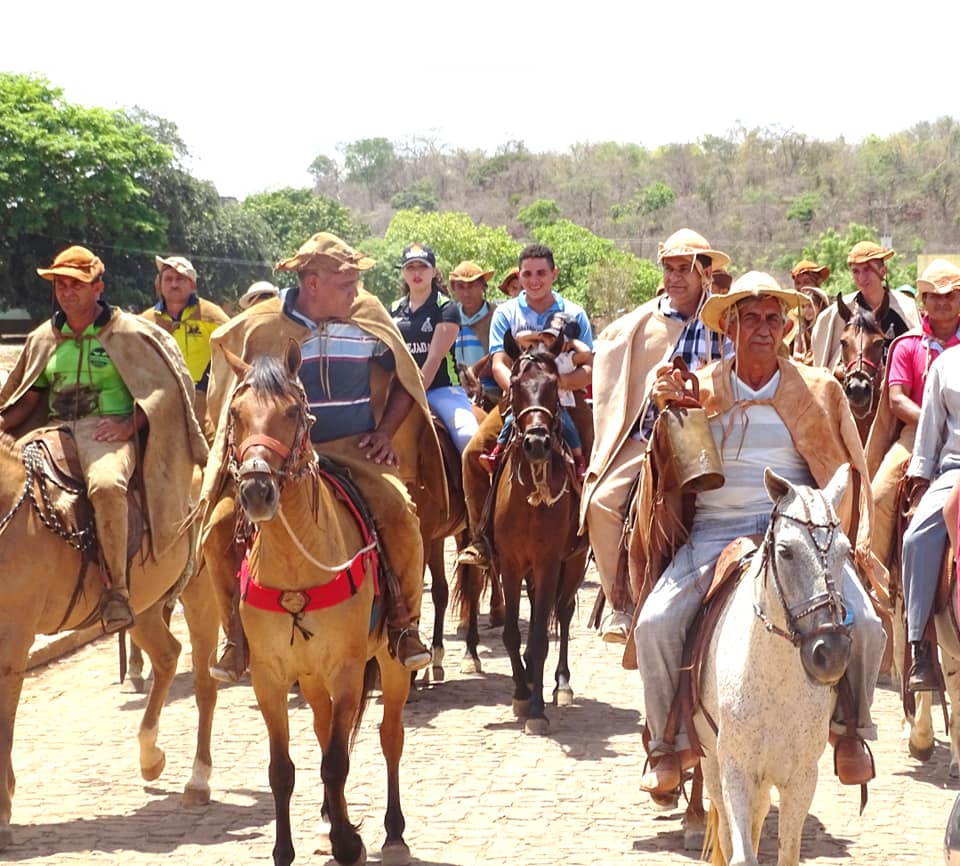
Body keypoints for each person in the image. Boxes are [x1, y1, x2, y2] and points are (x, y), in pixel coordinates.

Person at [633, 271, 883, 796]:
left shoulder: (817, 390)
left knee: (866, 625)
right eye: (751, 319)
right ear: (729, 327)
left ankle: (850, 732)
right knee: (654, 623)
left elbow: (847, 470)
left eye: (773, 319)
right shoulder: (697, 388)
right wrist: (664, 413)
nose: (763, 329)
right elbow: (665, 472)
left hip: (797, 535)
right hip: (714, 534)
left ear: (787, 326)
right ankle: (666, 742)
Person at [200, 232, 442, 674]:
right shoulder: (263, 326)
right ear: (313, 283)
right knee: (217, 527)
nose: (356, 292)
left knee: (401, 513)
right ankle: (234, 634)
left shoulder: (367, 316)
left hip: (352, 447)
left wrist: (386, 433)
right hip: (278, 458)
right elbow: (235, 385)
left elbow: (406, 380)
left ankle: (405, 625)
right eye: (346, 284)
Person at [0, 245, 207, 632]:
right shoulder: (45, 337)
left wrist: (127, 428)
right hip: (55, 429)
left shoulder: (128, 331)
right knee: (18, 482)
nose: (66, 292)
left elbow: (162, 390)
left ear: (98, 287)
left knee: (108, 485)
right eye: (60, 284)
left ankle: (118, 591)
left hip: (106, 430)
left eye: (76, 284)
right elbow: (28, 394)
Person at [582, 228, 731, 643]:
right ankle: (620, 601)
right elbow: (614, 382)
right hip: (648, 435)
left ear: (704, 272)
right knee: (600, 502)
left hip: (711, 432)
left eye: (685, 269)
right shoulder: (639, 325)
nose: (676, 277)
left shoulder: (724, 321)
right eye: (669, 268)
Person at [458, 244, 593, 568]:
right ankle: (482, 539)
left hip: (566, 401)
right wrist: (521, 390)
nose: (534, 281)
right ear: (519, 276)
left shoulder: (574, 314)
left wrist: (556, 384)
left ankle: (595, 532)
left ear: (554, 274)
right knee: (473, 455)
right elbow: (499, 361)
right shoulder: (506, 313)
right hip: (518, 404)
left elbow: (590, 366)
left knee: (600, 461)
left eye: (541, 273)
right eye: (527, 274)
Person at [865, 259, 960, 572]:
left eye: (951, 295)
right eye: (936, 296)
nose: (943, 302)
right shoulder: (908, 345)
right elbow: (896, 400)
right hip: (914, 434)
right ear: (924, 301)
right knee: (879, 497)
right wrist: (934, 422)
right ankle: (874, 579)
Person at [900, 331, 960, 690]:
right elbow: (929, 430)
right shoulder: (946, 365)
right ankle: (920, 646)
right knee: (915, 538)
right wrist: (921, 479)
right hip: (955, 469)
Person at [391, 244, 479, 455]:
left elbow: (434, 359)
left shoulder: (446, 308)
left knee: (468, 437)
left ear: (433, 271)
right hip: (400, 390)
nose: (417, 272)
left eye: (423, 266)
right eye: (410, 267)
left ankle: (481, 488)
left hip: (442, 390)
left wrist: (414, 397)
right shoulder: (394, 309)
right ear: (403, 272)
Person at [481, 313, 592, 479]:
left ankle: (579, 460)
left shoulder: (568, 358)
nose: (550, 341)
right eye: (547, 336)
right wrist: (538, 336)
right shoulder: (539, 355)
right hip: (527, 399)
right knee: (505, 425)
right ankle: (496, 453)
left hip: (561, 402)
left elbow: (587, 355)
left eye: (555, 338)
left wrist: (571, 343)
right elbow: (518, 339)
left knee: (571, 428)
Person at [141, 255, 229, 428]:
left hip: (204, 400)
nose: (174, 284)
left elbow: (232, 347)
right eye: (168, 279)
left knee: (210, 450)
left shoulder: (212, 315)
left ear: (193, 284)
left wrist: (208, 382)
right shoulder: (145, 321)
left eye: (180, 279)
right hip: (161, 401)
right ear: (160, 284)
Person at [811, 241, 919, 369]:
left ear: (883, 271)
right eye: (856, 271)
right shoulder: (837, 313)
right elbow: (827, 365)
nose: (861, 278)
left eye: (867, 270)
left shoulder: (906, 308)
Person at [449, 260, 500, 409]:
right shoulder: (448, 318)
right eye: (460, 287)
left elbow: (504, 356)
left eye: (472, 286)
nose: (466, 293)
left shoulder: (497, 316)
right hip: (454, 391)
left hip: (491, 391)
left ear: (483, 287)